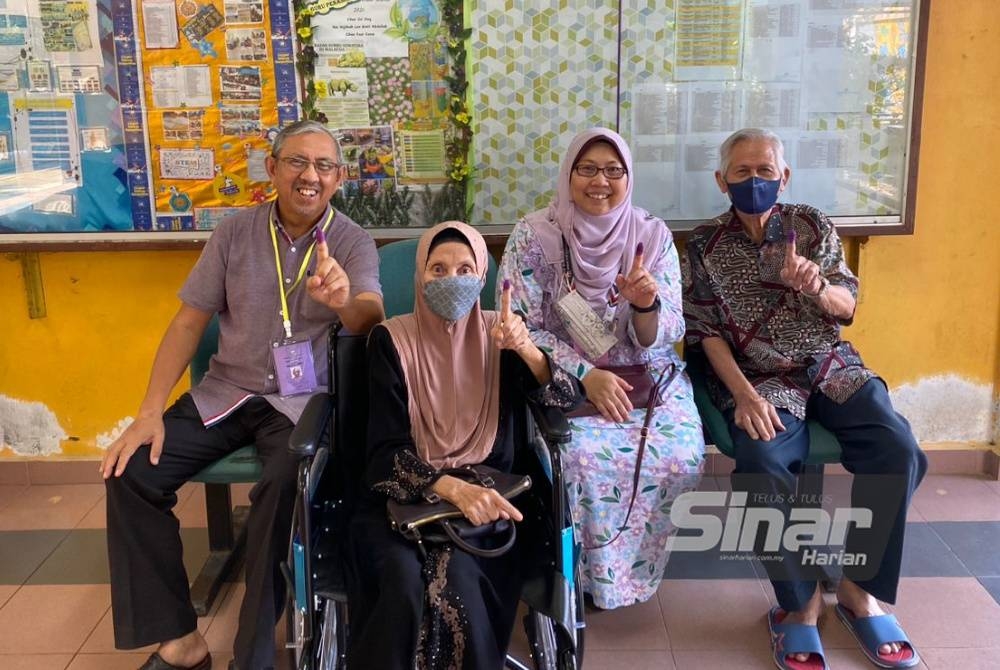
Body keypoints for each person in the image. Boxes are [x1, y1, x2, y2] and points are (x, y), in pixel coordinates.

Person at [100, 119, 384, 670]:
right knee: (130, 470)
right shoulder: (234, 233)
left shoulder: (352, 240)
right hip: (228, 391)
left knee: (283, 491)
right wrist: (149, 412)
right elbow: (188, 323)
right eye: (297, 161)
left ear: (339, 178)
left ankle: (251, 655)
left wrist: (343, 300)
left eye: (324, 165)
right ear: (272, 169)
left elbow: (371, 319)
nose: (310, 175)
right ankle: (181, 641)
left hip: (305, 401)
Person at [683, 127, 926, 670]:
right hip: (762, 378)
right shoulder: (703, 244)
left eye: (765, 171)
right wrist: (743, 395)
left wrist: (815, 287)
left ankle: (860, 590)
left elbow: (847, 306)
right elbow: (703, 332)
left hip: (830, 366)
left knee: (898, 450)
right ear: (721, 180)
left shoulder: (811, 225)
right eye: (742, 171)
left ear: (784, 176)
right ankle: (800, 603)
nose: (754, 181)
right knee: (760, 463)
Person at [346, 221, 582, 670]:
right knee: (400, 582)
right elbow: (383, 451)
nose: (451, 280)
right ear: (420, 276)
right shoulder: (390, 340)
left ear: (481, 278)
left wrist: (528, 351)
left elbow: (566, 400)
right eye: (438, 269)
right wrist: (449, 488)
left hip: (491, 499)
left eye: (464, 269)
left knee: (460, 584)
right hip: (404, 497)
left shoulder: (503, 335)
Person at [498, 128, 705, 609]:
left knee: (680, 456)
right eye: (587, 169)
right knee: (580, 458)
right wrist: (584, 374)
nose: (600, 181)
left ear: (628, 178)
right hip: (562, 374)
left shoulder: (651, 236)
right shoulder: (535, 235)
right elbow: (519, 323)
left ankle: (634, 572)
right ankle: (587, 576)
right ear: (568, 174)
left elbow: (667, 330)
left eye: (614, 170)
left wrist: (646, 305)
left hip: (646, 373)